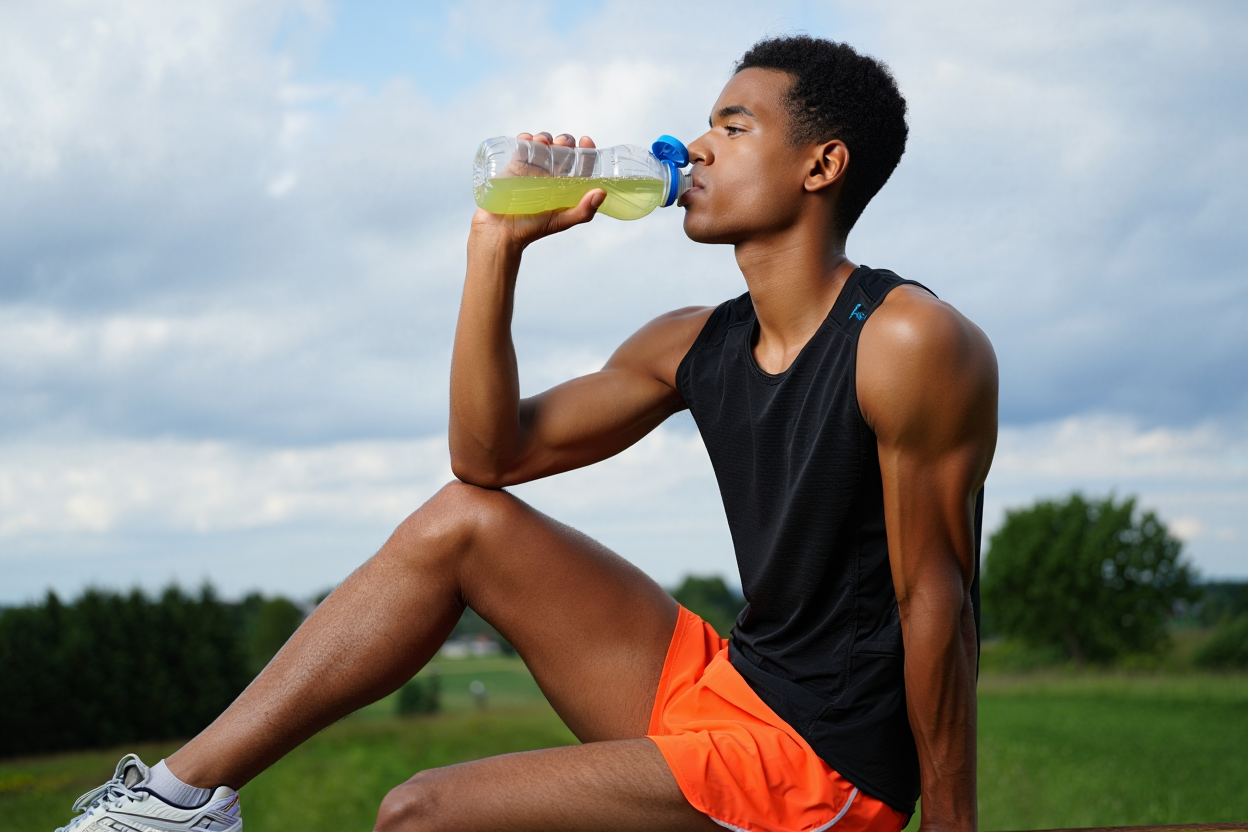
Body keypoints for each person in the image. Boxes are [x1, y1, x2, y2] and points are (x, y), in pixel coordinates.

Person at [56, 35, 996, 832]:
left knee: (416, 814)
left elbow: (936, 604)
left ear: (821, 165)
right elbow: (488, 458)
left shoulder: (908, 340)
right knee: (463, 521)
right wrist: (494, 250)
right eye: (706, 122)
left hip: (818, 760)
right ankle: (177, 803)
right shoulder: (693, 343)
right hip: (734, 686)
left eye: (734, 126)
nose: (697, 148)